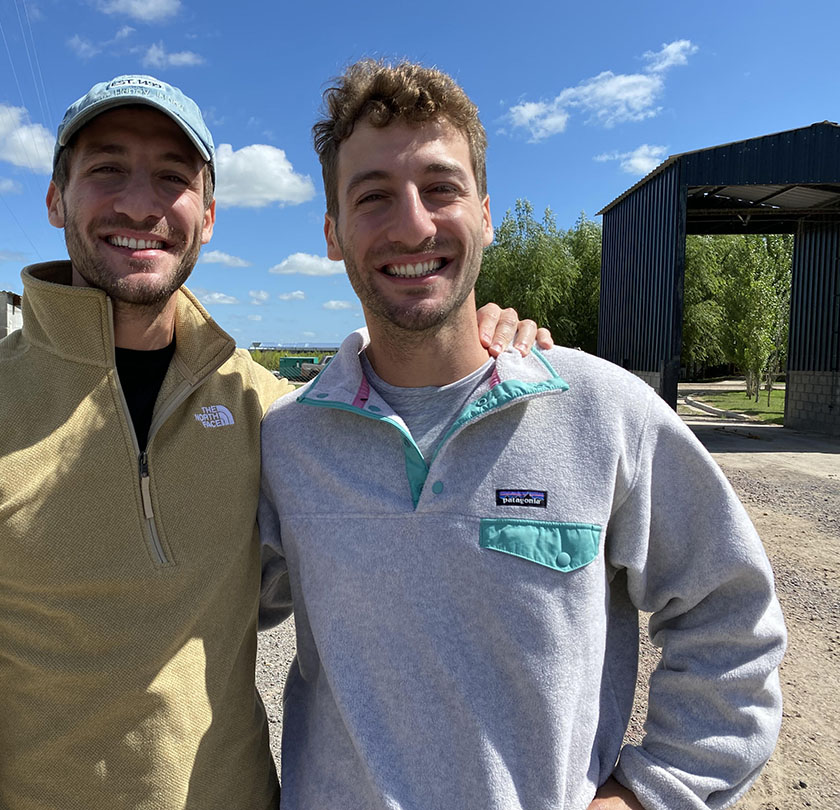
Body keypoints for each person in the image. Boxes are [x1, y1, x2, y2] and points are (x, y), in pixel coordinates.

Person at [0, 74, 542, 809]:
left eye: (172, 178)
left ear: (207, 216)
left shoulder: (270, 411)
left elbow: (405, 416)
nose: (140, 203)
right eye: (107, 169)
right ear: (55, 199)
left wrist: (485, 338)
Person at [258, 60, 786, 810]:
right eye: (373, 196)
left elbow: (731, 616)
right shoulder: (286, 442)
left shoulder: (604, 412)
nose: (413, 223)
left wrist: (648, 795)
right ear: (333, 234)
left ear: (487, 214)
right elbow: (188, 618)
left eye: (442, 188)